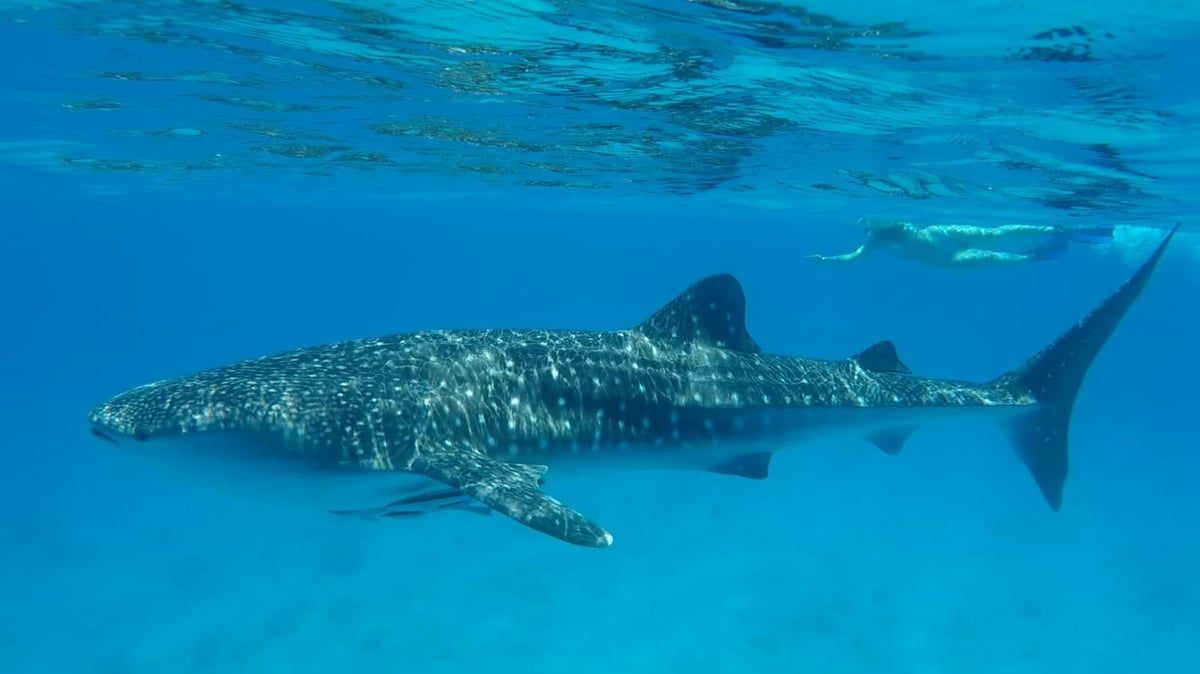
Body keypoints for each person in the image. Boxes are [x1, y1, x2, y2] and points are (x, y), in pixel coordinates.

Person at [806, 219, 1114, 269]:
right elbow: (853, 257)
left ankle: (1051, 230)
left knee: (996, 237)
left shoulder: (884, 231)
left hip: (949, 237)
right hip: (948, 254)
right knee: (996, 251)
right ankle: (1036, 252)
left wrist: (827, 260)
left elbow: (854, 257)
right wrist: (826, 259)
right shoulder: (875, 240)